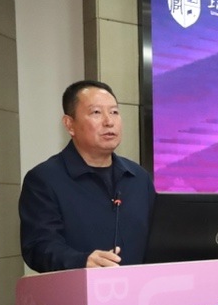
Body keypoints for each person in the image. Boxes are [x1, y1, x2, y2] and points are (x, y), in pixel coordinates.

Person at [18, 80, 156, 272]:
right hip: (79, 289)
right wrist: (82, 261)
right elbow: (39, 247)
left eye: (114, 112)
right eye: (96, 112)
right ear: (69, 124)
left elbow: (156, 242)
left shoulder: (139, 178)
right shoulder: (45, 179)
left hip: (141, 289)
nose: (109, 121)